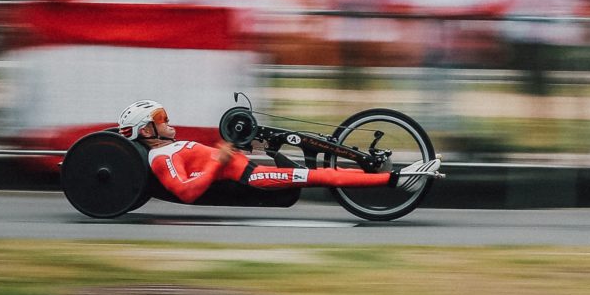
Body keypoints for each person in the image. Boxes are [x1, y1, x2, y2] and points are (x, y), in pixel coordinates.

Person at [118, 100, 441, 204]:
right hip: (253, 178)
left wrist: (252, 149)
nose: (169, 120)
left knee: (311, 153)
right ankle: (395, 180)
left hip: (249, 166)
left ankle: (388, 174)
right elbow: (186, 192)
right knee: (323, 174)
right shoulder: (161, 158)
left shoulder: (171, 146)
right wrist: (218, 161)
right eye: (161, 119)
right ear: (146, 131)